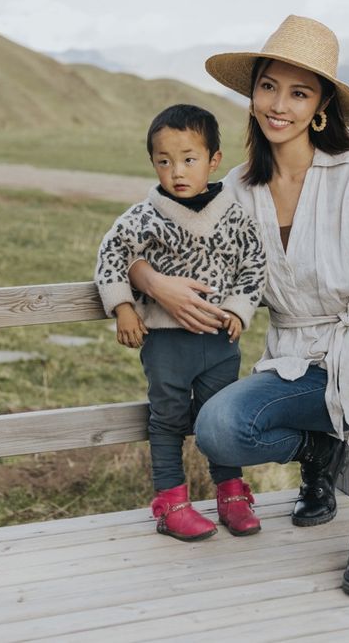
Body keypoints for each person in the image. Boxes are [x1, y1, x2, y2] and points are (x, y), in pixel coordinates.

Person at [129, 16, 349, 597]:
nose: (278, 104)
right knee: (218, 428)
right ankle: (320, 450)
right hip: (297, 364)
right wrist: (149, 281)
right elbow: (152, 234)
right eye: (268, 87)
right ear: (252, 94)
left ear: (320, 107)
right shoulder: (233, 190)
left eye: (299, 92)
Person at [95, 104, 266, 542]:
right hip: (166, 343)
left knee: (220, 417)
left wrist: (237, 310)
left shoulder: (234, 216)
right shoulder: (142, 217)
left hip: (219, 339)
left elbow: (254, 265)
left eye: (189, 159)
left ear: (213, 160)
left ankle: (231, 494)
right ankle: (171, 505)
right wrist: (124, 307)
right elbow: (112, 255)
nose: (177, 171)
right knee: (167, 418)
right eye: (164, 161)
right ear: (153, 163)